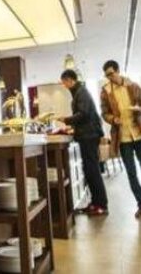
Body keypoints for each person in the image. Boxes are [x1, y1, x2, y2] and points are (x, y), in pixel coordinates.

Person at [100, 60, 141, 218]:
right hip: (122, 138)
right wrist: (113, 119)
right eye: (106, 75)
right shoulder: (105, 92)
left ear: (118, 71)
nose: (109, 77)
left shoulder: (133, 86)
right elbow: (104, 113)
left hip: (139, 133)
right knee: (131, 172)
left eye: (111, 74)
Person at [59, 69, 108, 216]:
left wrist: (66, 119)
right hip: (87, 134)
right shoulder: (79, 92)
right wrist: (73, 126)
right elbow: (83, 115)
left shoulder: (81, 92)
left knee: (93, 170)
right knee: (89, 170)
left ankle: (101, 204)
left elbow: (84, 114)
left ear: (70, 80)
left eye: (64, 82)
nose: (64, 85)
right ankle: (95, 203)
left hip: (89, 135)